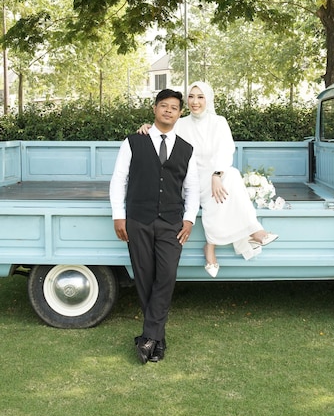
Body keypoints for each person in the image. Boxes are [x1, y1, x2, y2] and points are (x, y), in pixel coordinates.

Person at [139, 81, 277, 278]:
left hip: (215, 174)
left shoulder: (218, 122)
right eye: (191, 97)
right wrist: (146, 128)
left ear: (208, 99)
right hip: (190, 175)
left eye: (200, 97)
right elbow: (160, 132)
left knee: (233, 175)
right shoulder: (181, 123)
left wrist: (217, 174)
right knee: (207, 187)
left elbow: (226, 149)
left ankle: (235, 237)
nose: (195, 102)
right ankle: (223, 242)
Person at [110, 89, 199, 364]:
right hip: (138, 219)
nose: (169, 111)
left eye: (174, 107)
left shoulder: (187, 149)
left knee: (167, 276)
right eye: (164, 106)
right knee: (144, 277)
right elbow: (119, 180)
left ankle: (148, 336)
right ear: (155, 109)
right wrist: (118, 215)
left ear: (180, 113)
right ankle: (157, 341)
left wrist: (189, 218)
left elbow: (192, 188)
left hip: (172, 222)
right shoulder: (134, 141)